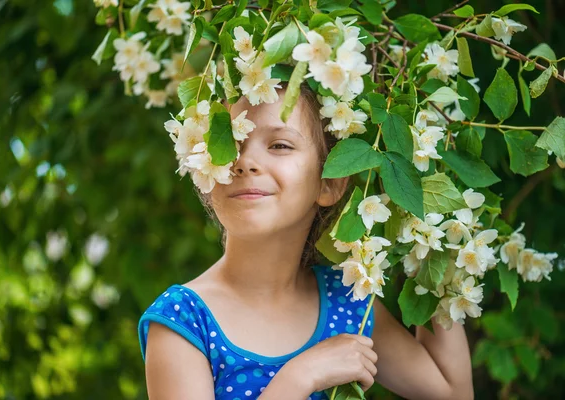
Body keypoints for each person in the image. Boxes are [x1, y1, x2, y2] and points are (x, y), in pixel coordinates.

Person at [137, 82, 475, 400]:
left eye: (280, 145)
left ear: (329, 184)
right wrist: (298, 379)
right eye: (231, 142)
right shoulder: (183, 321)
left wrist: (430, 246)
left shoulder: (348, 300)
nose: (245, 162)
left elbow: (453, 391)